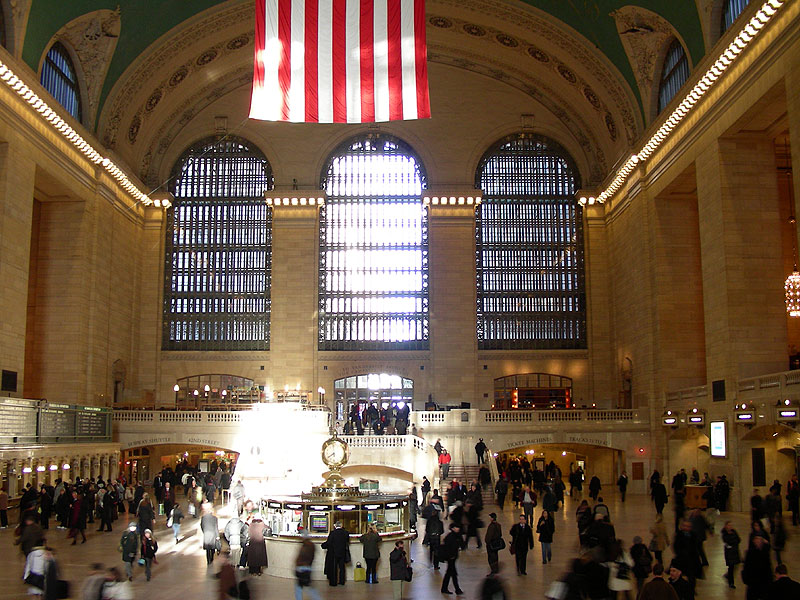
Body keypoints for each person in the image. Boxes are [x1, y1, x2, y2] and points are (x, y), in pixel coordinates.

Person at [742, 530, 772, 600]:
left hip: (763, 583)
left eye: (759, 539)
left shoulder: (765, 553)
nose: (757, 541)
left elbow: (768, 567)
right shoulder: (750, 553)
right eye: (756, 539)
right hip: (753, 583)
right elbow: (746, 567)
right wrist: (746, 579)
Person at [295, 528, 322, 600]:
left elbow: (301, 557)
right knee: (307, 586)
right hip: (308, 567)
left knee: (300, 587)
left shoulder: (304, 545)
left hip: (301, 568)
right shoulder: (311, 545)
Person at [322, 520, 349, 586]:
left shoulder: (332, 533)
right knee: (342, 567)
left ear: (335, 526)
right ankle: (342, 581)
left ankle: (334, 582)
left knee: (334, 568)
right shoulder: (345, 533)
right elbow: (347, 541)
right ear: (341, 526)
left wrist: (323, 545)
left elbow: (329, 542)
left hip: (334, 553)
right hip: (342, 552)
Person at [440, 523, 464, 595]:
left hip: (453, 557)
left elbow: (462, 545)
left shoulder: (457, 536)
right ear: (452, 528)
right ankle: (457, 589)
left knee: (450, 573)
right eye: (456, 527)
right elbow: (448, 547)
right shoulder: (450, 536)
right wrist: (450, 555)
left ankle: (445, 588)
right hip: (450, 557)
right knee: (452, 573)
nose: (458, 528)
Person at [721, 520, 741, 589]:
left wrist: (734, 542)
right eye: (729, 525)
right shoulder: (724, 534)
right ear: (726, 526)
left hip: (735, 551)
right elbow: (728, 541)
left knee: (736, 565)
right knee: (731, 567)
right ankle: (731, 582)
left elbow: (739, 540)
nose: (730, 527)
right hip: (729, 553)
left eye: (731, 525)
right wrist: (734, 541)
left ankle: (728, 576)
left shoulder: (734, 532)